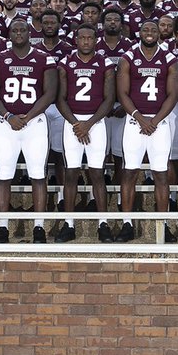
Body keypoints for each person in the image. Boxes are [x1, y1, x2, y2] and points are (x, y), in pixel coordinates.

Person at [0, 21, 59, 244]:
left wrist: (28, 116)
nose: (18, 33)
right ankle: (2, 227)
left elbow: (50, 93)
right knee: (3, 175)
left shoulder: (44, 58)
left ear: (30, 33)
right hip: (5, 123)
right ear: (9, 34)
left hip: (34, 123)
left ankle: (39, 227)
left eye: (22, 30)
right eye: (14, 30)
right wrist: (9, 116)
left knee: (38, 174)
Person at [116, 20, 178, 242]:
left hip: (159, 124)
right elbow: (122, 93)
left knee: (161, 174)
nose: (150, 33)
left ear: (160, 34)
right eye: (145, 30)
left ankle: (163, 225)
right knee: (129, 172)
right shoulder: (128, 57)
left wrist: (154, 120)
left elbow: (173, 94)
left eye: (154, 30)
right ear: (140, 33)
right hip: (135, 123)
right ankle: (127, 224)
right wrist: (140, 118)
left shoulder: (169, 58)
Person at [54, 24, 116, 243]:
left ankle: (103, 224)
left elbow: (109, 99)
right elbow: (60, 98)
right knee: (71, 173)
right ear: (76, 39)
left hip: (95, 123)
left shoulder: (105, 63)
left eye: (90, 38)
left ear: (96, 40)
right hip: (72, 123)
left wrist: (88, 124)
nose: (86, 41)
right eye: (82, 38)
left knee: (97, 173)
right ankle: (69, 224)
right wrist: (76, 124)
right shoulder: (66, 63)